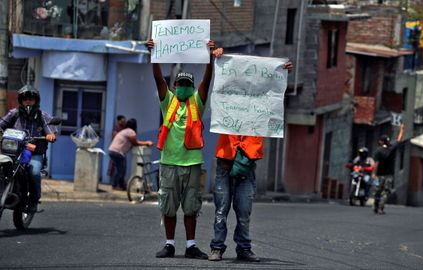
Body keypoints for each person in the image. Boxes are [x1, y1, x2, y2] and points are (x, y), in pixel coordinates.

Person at [208, 60, 293, 262]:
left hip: (247, 167)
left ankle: (243, 248)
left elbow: (274, 94)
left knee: (244, 212)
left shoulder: (259, 106)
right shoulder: (227, 102)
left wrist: (282, 73)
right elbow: (218, 86)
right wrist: (215, 59)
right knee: (221, 210)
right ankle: (217, 248)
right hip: (225, 164)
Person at [146, 38, 223, 259]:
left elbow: (206, 83)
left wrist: (209, 59)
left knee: (191, 206)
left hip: (192, 164)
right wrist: (154, 55)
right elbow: (158, 80)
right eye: (181, 85)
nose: (185, 88)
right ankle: (169, 244)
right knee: (168, 206)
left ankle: (191, 245)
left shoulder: (197, 103)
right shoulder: (167, 101)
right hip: (169, 163)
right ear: (175, 87)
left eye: (188, 85)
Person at [0, 84, 57, 213]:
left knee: (34, 172)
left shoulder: (42, 116)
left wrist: (50, 135)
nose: (28, 101)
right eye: (25, 99)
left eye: (31, 98)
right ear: (21, 100)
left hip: (34, 152)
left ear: (36, 100)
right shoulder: (14, 113)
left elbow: (49, 128)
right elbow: (2, 125)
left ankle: (34, 199)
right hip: (13, 151)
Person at [108, 118, 153, 190]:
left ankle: (121, 185)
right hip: (118, 152)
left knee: (120, 169)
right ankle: (115, 185)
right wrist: (147, 143)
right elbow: (135, 143)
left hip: (113, 150)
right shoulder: (131, 132)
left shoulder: (124, 131)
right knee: (121, 170)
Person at [372, 123, 405, 214]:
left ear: (381, 142)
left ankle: (375, 206)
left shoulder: (378, 151)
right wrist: (402, 129)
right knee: (386, 192)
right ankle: (380, 208)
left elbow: (376, 164)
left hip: (379, 175)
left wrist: (374, 173)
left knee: (377, 191)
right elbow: (399, 139)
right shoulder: (392, 147)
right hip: (389, 174)